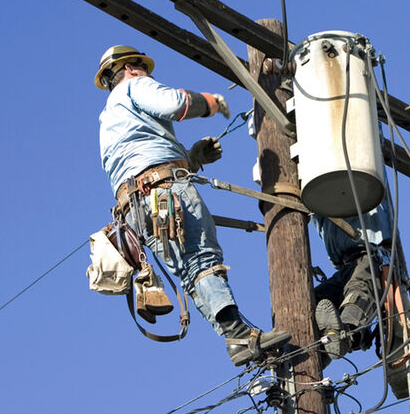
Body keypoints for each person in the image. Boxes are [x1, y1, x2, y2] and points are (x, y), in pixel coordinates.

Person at [95, 45, 290, 366]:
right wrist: (212, 103)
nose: (149, 75)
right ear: (130, 68)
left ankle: (237, 335)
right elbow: (174, 104)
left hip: (137, 207)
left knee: (190, 268)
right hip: (163, 193)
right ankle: (239, 334)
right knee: (201, 258)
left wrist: (193, 159)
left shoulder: (108, 119)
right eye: (144, 69)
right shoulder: (134, 86)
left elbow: (143, 157)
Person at [311, 192, 410, 398]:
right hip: (345, 264)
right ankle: (320, 348)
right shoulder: (313, 177)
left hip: (372, 254)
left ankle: (345, 335)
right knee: (315, 300)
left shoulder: (359, 172)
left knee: (359, 291)